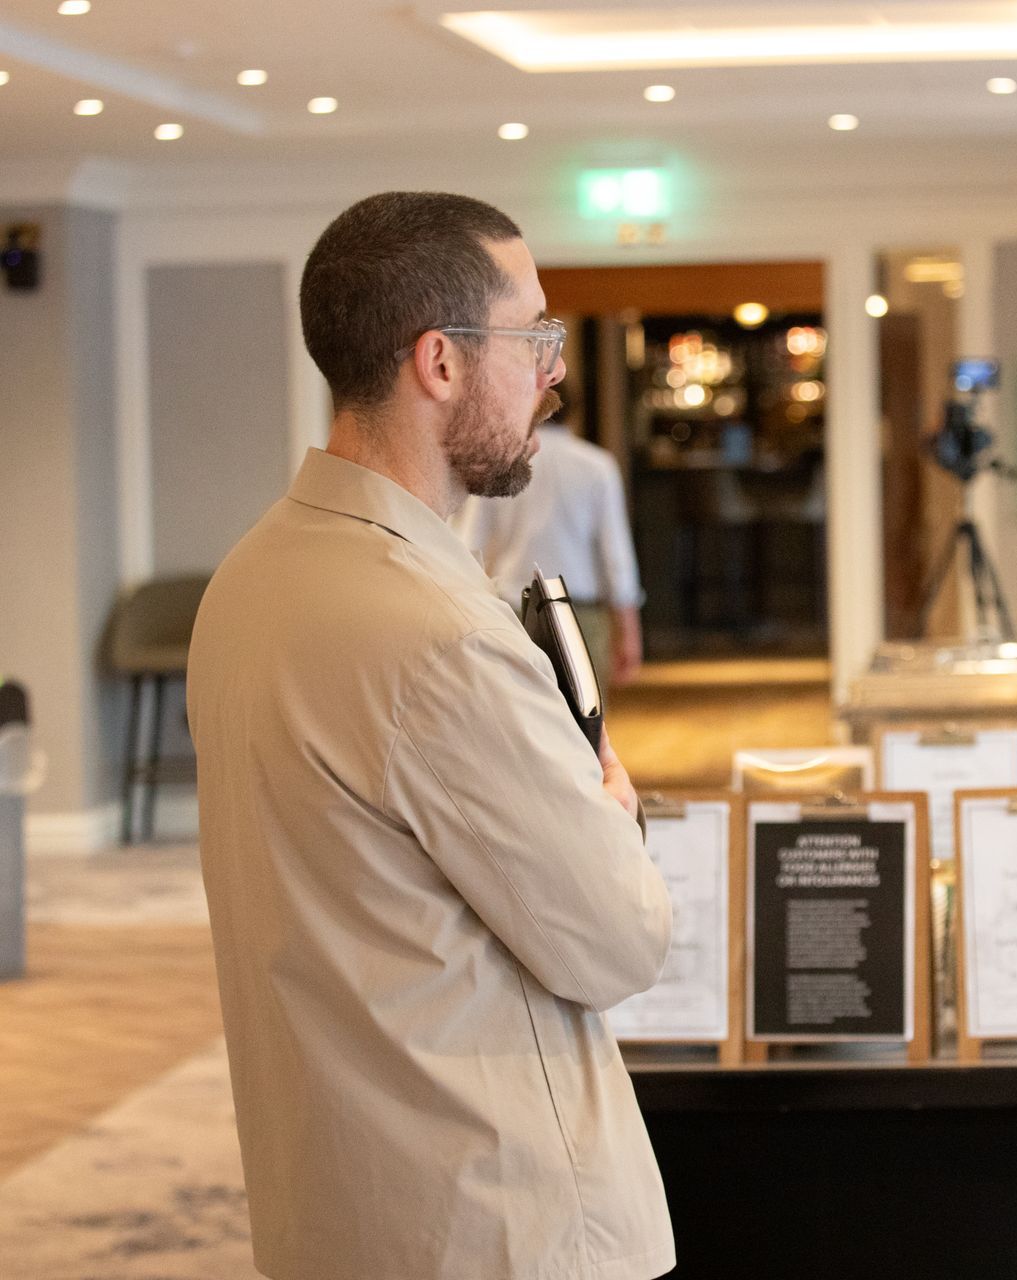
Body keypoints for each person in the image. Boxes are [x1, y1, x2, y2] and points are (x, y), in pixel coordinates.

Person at [187, 192, 675, 1280]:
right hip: (499, 1219)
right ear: (441, 363)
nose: (553, 367)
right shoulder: (440, 634)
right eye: (534, 334)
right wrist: (611, 809)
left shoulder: (250, 578)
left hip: (338, 1200)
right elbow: (618, 941)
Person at [457, 418, 646, 686]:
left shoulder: (499, 465)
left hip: (513, 610)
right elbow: (616, 557)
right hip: (581, 616)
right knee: (584, 722)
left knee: (517, 719)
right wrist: (628, 631)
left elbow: (468, 543)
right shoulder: (596, 465)